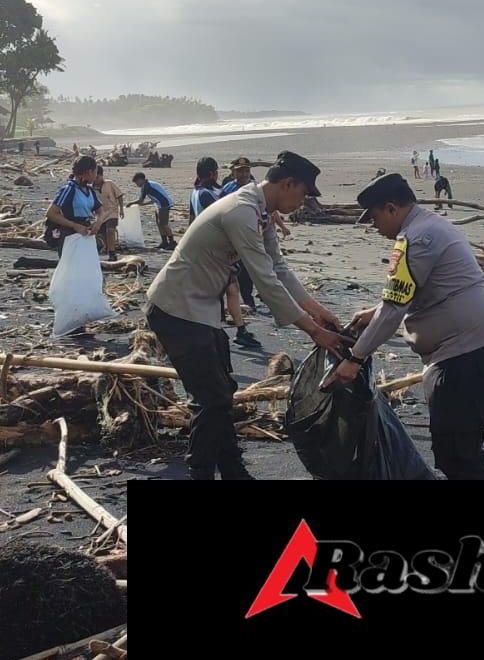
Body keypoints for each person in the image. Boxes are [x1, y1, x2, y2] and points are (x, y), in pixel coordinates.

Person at [145, 150, 344, 480]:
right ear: (288, 183)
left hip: (203, 309)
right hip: (176, 308)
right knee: (210, 399)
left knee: (223, 391)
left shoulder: (261, 210)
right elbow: (265, 280)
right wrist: (313, 330)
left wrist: (322, 313)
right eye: (303, 193)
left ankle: (234, 470)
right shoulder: (241, 211)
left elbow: (279, 269)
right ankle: (201, 473)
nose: (304, 201)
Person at [333, 173, 484, 479]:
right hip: (470, 352)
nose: (375, 228)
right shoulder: (429, 225)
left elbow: (394, 309)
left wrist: (355, 358)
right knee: (458, 452)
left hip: (464, 355)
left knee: (459, 456)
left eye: (374, 219)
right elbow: (417, 291)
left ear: (391, 208)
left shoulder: (414, 239)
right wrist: (373, 313)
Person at [192, 156, 259, 349]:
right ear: (213, 174)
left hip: (203, 249)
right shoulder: (210, 195)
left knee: (228, 289)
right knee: (229, 290)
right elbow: (224, 220)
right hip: (216, 251)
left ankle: (235, 328)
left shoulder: (195, 193)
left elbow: (191, 221)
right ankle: (235, 330)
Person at [219, 158, 258, 310]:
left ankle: (249, 300)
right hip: (230, 236)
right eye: (240, 170)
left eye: (246, 170)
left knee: (248, 271)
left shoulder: (255, 188)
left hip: (249, 235)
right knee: (231, 271)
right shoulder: (227, 188)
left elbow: (264, 212)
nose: (244, 174)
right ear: (233, 171)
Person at [45, 156, 100, 250]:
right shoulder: (69, 189)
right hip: (70, 234)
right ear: (90, 172)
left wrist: (98, 222)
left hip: (86, 232)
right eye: (95, 172)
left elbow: (101, 210)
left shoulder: (90, 190)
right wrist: (74, 226)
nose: (96, 176)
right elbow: (51, 213)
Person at [130, 172, 176, 250]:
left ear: (141, 180)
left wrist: (130, 203)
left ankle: (172, 242)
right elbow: (154, 199)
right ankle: (164, 241)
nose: (137, 184)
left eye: (137, 182)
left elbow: (140, 200)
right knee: (159, 223)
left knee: (164, 223)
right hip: (159, 204)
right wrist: (144, 204)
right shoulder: (150, 184)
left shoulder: (146, 186)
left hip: (164, 205)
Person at [93, 168, 126, 262]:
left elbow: (119, 196)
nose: (96, 179)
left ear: (101, 176)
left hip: (112, 211)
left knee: (110, 230)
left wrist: (121, 210)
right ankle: (108, 248)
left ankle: (112, 253)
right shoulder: (91, 187)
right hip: (100, 213)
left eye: (98, 177)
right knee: (102, 233)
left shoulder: (109, 184)